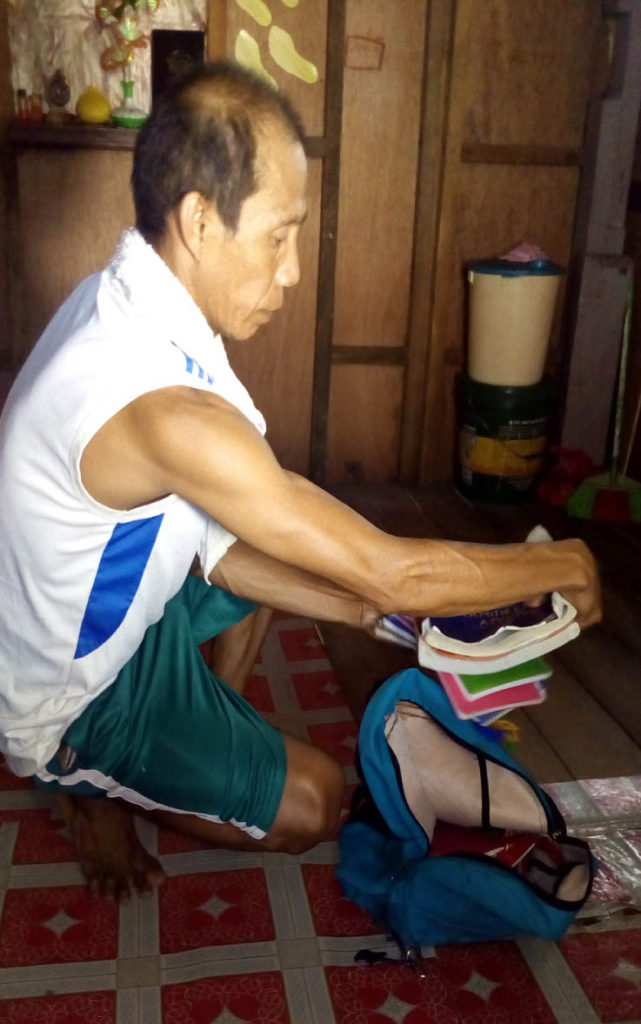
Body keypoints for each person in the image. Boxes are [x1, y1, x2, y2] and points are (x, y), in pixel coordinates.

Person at [0, 61, 601, 901]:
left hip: (108, 609)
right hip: (73, 694)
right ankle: (86, 779)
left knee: (287, 553)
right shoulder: (161, 407)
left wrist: (359, 609)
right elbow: (395, 570)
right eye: (278, 236)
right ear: (200, 223)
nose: (290, 272)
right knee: (315, 808)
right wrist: (562, 564)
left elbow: (230, 551)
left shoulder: (121, 298)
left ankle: (190, 740)